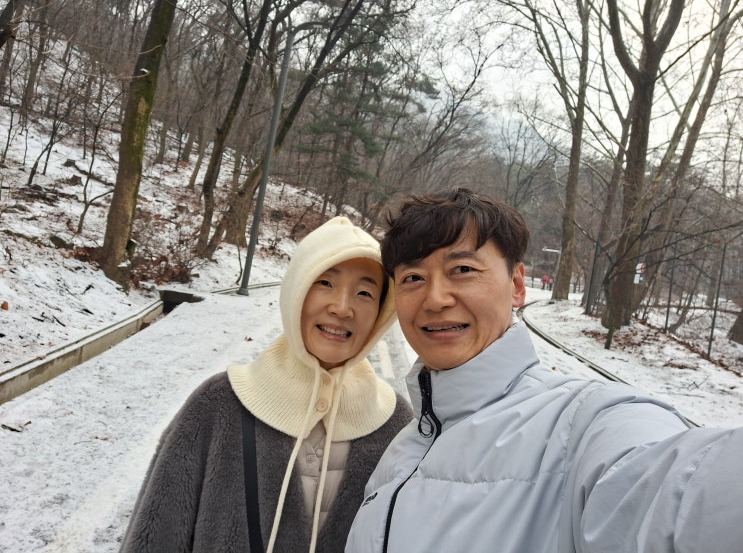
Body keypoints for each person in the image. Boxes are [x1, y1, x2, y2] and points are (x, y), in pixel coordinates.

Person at [345, 188, 743, 553]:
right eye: (413, 278)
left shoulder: (585, 425)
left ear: (517, 285)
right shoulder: (402, 450)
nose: (435, 299)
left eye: (462, 269)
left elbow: (674, 500)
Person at [121, 217, 412, 553]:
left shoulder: (396, 423)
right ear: (296, 291)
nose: (342, 307)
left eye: (364, 293)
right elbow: (156, 532)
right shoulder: (218, 403)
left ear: (381, 311)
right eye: (325, 283)